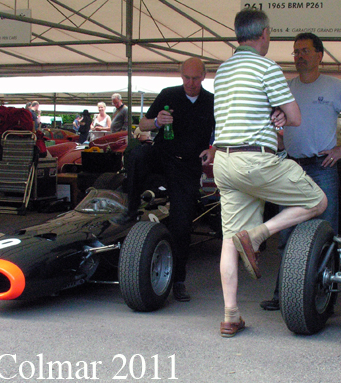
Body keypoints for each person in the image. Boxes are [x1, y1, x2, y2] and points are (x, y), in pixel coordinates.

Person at [212, 8, 327, 337]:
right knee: (316, 201)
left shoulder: (222, 71)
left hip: (225, 162)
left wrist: (271, 111)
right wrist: (281, 113)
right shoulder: (267, 67)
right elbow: (295, 117)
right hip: (256, 161)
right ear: (264, 35)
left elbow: (246, 109)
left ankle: (230, 314)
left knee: (229, 241)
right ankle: (262, 234)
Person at [259, 32, 341, 311]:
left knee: (326, 234)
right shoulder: (285, 88)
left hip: (322, 168)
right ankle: (283, 294)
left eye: (305, 51)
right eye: (295, 52)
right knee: (287, 234)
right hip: (289, 168)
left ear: (319, 55)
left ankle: (326, 298)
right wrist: (277, 141)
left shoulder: (336, 87)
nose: (299, 56)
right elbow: (270, 122)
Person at [112, 57, 216, 303]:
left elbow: (223, 132)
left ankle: (178, 279)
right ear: (181, 76)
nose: (190, 83)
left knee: (181, 225)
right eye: (186, 78)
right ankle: (131, 207)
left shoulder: (212, 102)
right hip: (163, 153)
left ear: (203, 76)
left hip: (187, 165)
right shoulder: (168, 94)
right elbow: (143, 124)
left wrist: (213, 149)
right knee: (136, 154)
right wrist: (157, 121)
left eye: (195, 78)